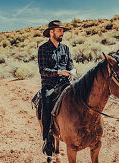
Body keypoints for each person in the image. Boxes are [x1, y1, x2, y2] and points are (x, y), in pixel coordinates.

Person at [38, 20, 76, 156]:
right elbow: (43, 70)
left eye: (62, 31)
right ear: (51, 32)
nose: (62, 33)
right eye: (59, 30)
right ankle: (48, 139)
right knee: (46, 104)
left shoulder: (65, 48)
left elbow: (70, 64)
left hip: (65, 82)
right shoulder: (43, 48)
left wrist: (73, 71)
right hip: (49, 84)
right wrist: (59, 72)